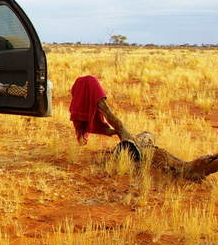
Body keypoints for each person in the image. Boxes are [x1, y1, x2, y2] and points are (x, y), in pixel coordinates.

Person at [71, 75, 218, 181]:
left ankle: (195, 167)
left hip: (141, 147)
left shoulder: (100, 103)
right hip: (140, 149)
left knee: (167, 156)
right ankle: (192, 169)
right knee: (169, 159)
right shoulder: (102, 104)